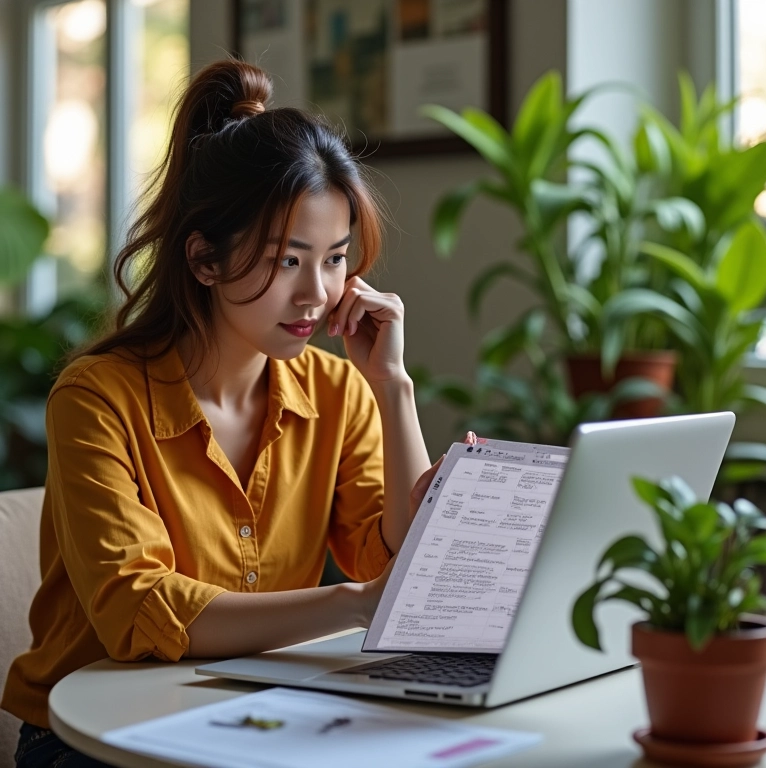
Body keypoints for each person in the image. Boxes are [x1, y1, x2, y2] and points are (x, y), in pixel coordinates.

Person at [2, 58, 450, 767]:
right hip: (92, 738)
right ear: (205, 260)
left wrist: (392, 386)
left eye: (335, 259)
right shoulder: (96, 399)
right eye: (287, 261)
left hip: (256, 717)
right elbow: (140, 610)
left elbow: (396, 562)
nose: (317, 293)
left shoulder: (341, 390)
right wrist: (359, 604)